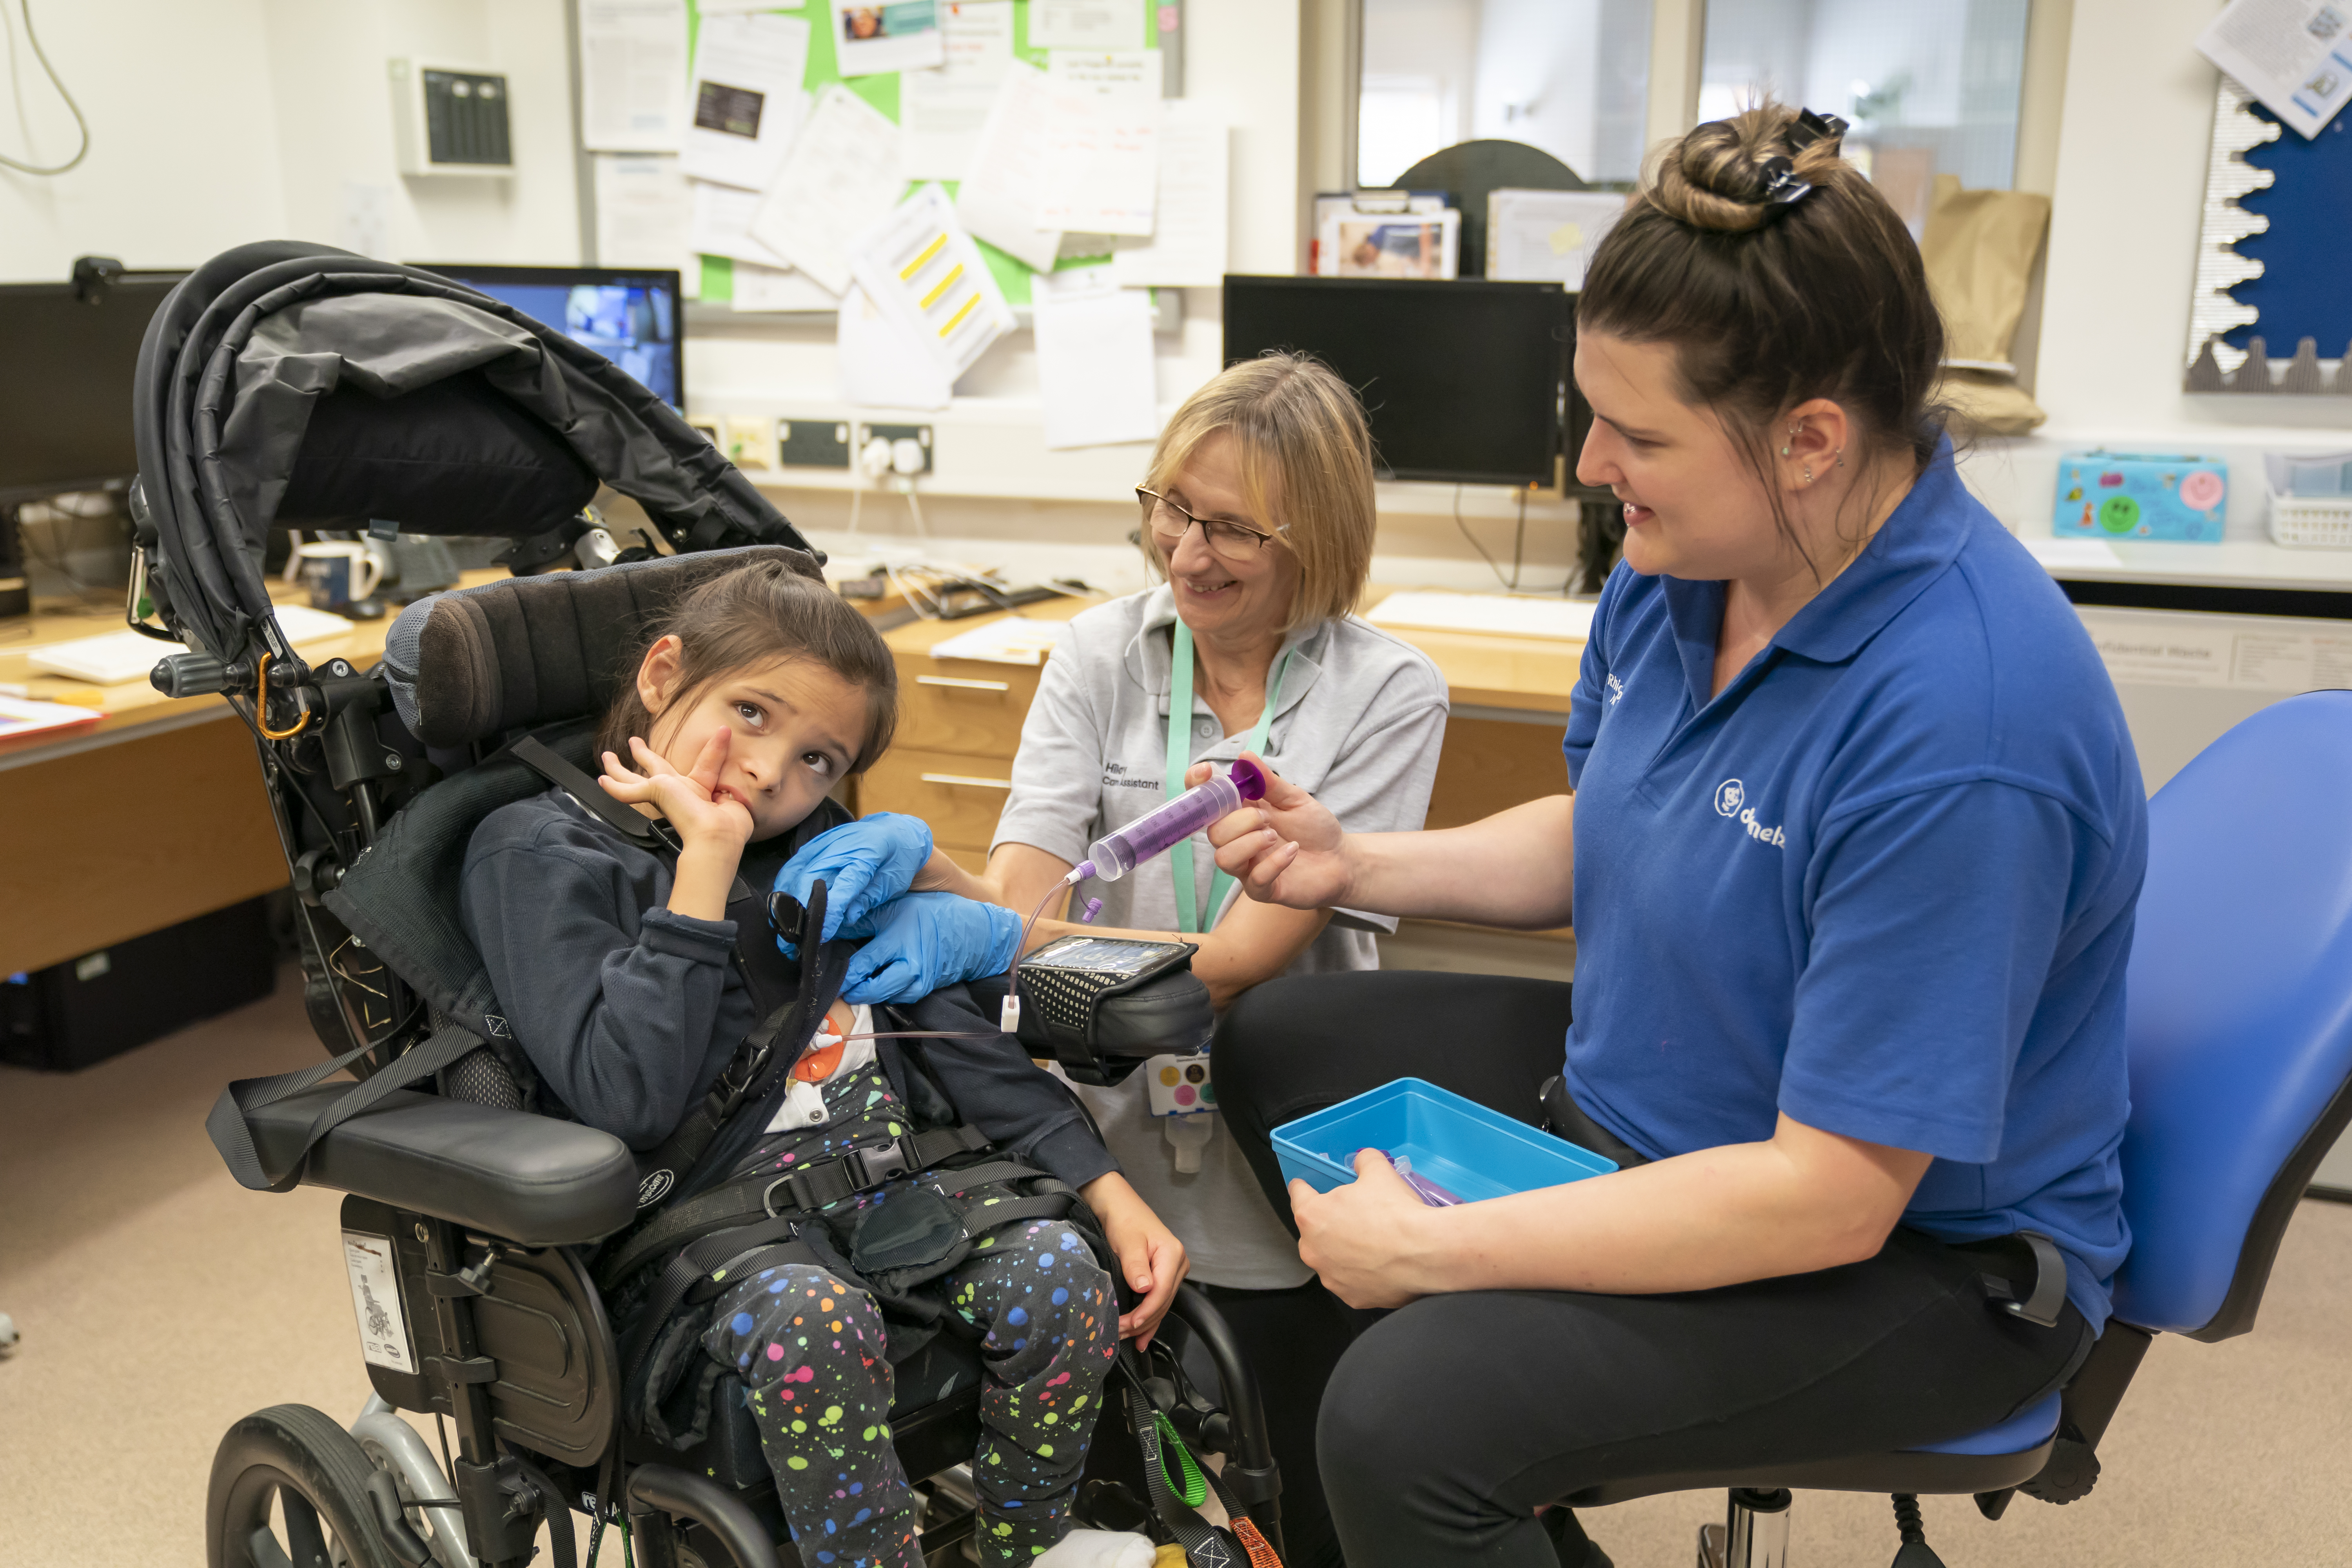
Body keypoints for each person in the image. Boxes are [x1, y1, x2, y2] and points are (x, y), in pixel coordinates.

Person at [1203, 103, 2147, 1568]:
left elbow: (1831, 1195)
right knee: (1282, 1042)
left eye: (1637, 435)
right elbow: (1621, 827)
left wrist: (1443, 1257)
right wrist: (1361, 864)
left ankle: (1421, 1486)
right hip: (1660, 1108)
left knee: (1405, 1419)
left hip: (1907, 1260)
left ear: (1813, 441)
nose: (1590, 464)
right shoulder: (1691, 557)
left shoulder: (1968, 726)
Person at [774, 354, 1450, 1566]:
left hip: (1275, 1133)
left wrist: (1007, 931)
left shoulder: (1387, 693)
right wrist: (937, 875)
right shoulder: (1097, 654)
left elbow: (1237, 961)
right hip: (1096, 1129)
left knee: (1287, 1486)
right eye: (1171, 508)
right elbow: (1027, 899)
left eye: (1233, 527)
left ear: (1321, 535)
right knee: (1109, 1475)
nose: (1187, 552)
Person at [459, 559, 1185, 1568]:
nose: (768, 774)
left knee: (1064, 1269)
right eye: (751, 714)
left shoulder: (815, 853)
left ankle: (1024, 1548)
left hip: (891, 1192)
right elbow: (628, 1095)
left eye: (816, 759)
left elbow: (948, 1036)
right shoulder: (539, 852)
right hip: (696, 1226)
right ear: (665, 674)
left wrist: (1105, 1186)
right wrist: (703, 868)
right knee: (815, 1321)